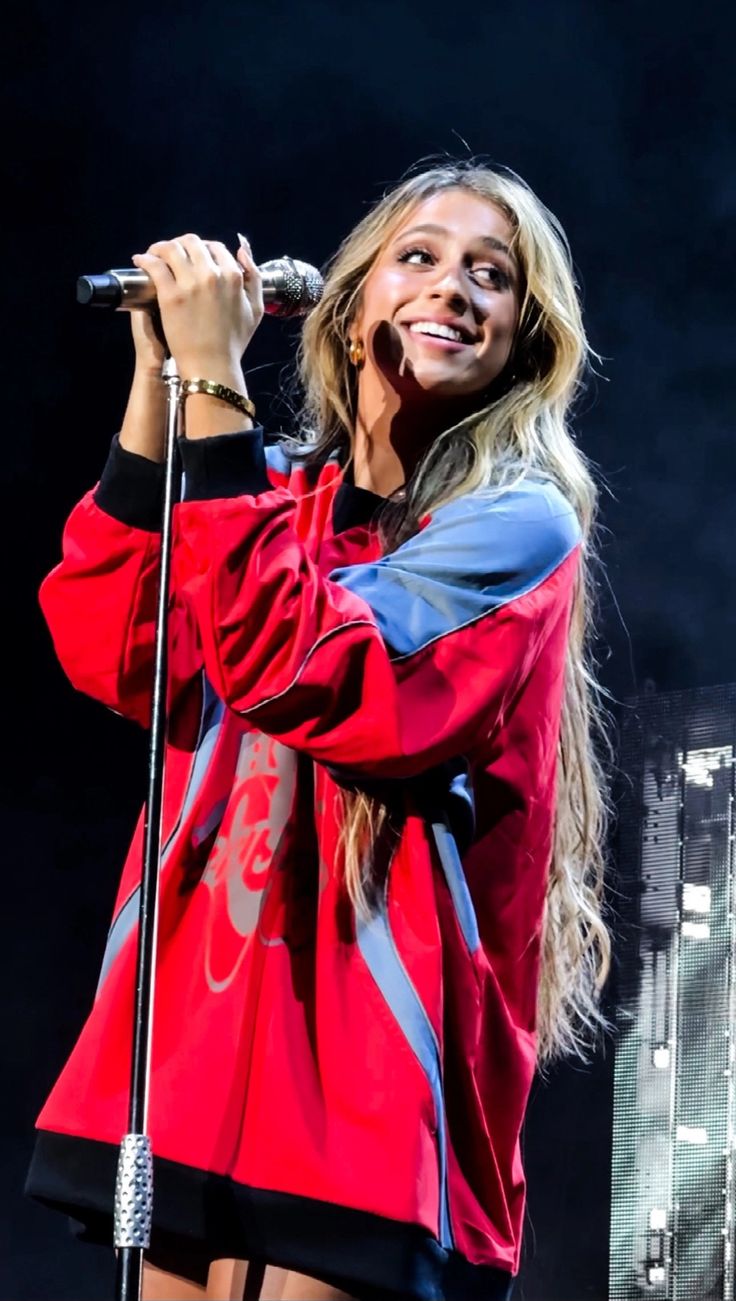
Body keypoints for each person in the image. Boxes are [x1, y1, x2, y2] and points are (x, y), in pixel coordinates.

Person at [26, 160, 611, 1301]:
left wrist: (215, 382)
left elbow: (311, 667)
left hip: (365, 1086)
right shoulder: (264, 492)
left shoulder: (517, 524)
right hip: (194, 1049)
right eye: (422, 256)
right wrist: (163, 382)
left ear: (523, 343)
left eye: (491, 276)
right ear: (344, 313)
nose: (456, 288)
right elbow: (118, 646)